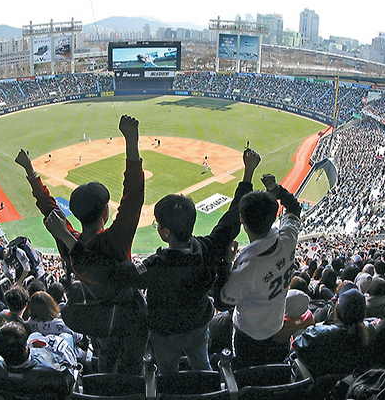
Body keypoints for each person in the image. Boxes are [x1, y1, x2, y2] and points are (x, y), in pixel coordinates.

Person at [62, 148, 261, 375]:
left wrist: (71, 242)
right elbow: (232, 221)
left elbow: (109, 273)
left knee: (167, 371)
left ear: (165, 233)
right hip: (198, 326)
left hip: (164, 334)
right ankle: (206, 386)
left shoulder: (153, 267)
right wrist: (247, 174)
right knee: (201, 364)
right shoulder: (208, 248)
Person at [16, 114, 146, 374]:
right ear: (105, 214)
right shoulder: (115, 241)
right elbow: (133, 196)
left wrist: (31, 171)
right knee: (133, 365)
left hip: (98, 316)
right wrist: (131, 140)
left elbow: (49, 208)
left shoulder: (67, 242)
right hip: (131, 317)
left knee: (105, 357)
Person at [219, 174, 302, 368]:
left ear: (242, 221)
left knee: (247, 373)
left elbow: (223, 301)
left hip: (248, 335)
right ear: (274, 217)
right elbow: (294, 208)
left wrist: (226, 263)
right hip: (277, 326)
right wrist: (276, 190)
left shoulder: (248, 268)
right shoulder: (288, 239)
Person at [292, 283, 374, 378]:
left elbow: (296, 346)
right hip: (343, 385)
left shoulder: (318, 333)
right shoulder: (369, 334)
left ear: (338, 309)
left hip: (317, 384)